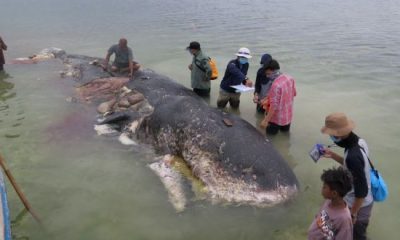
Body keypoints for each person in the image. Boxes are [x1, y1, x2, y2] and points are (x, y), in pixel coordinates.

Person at [320, 112, 373, 240]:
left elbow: (362, 191)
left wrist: (353, 214)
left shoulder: (353, 157)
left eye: (331, 135)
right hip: (363, 200)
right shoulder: (359, 142)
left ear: (338, 134)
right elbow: (352, 165)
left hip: (359, 205)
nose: (331, 138)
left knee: (356, 236)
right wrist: (332, 155)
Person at [308, 167, 353, 240]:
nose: (322, 189)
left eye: (324, 187)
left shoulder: (344, 219)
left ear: (334, 193)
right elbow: (319, 217)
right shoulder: (328, 202)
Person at [260, 59, 296, 135]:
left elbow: (274, 106)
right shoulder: (289, 78)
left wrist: (265, 120)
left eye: (268, 73)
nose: (267, 76)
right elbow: (294, 93)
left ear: (273, 70)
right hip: (287, 115)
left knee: (270, 138)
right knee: (285, 136)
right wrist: (267, 98)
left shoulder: (275, 85)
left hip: (276, 118)